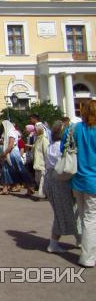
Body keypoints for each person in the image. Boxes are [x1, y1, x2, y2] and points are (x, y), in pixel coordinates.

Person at [43, 121, 79, 253]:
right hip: (60, 183)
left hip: (51, 181)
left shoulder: (52, 146)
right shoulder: (61, 148)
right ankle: (53, 244)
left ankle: (79, 239)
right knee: (63, 214)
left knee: (66, 212)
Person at [69, 100, 96, 267]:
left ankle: (82, 244)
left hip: (77, 180)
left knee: (82, 215)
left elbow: (65, 148)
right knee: (90, 218)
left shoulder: (76, 129)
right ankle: (87, 257)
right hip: (93, 181)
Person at [0, 120, 34, 196]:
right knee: (5, 170)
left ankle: (30, 187)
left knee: (20, 170)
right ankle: (5, 188)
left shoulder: (11, 132)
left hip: (13, 154)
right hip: (9, 154)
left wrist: (4, 154)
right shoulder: (9, 132)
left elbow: (10, 145)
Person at [32, 122, 49, 198]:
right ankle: (45, 193)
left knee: (43, 179)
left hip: (42, 163)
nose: (34, 132)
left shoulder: (44, 139)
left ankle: (42, 194)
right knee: (38, 179)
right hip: (37, 163)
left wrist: (46, 163)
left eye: (35, 130)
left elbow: (46, 151)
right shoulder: (37, 139)